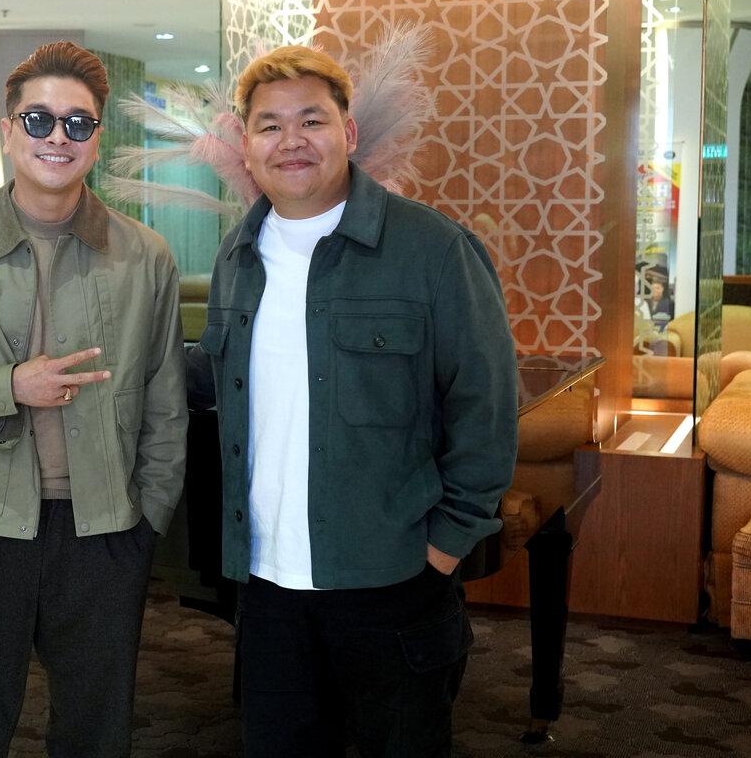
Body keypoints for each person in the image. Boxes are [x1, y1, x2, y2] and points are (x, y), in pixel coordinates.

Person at [186, 45, 519, 757]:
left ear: (350, 132)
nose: (291, 140)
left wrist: (443, 548)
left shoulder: (434, 250)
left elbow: (486, 413)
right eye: (270, 125)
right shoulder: (236, 257)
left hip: (394, 580)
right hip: (267, 590)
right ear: (247, 144)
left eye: (312, 120)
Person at [0, 41, 188, 758]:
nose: (58, 137)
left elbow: (165, 404)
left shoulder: (146, 257)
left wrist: (148, 519)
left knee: (96, 731)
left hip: (105, 531)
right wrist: (10, 385)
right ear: (8, 129)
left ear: (96, 138)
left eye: (78, 123)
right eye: (39, 119)